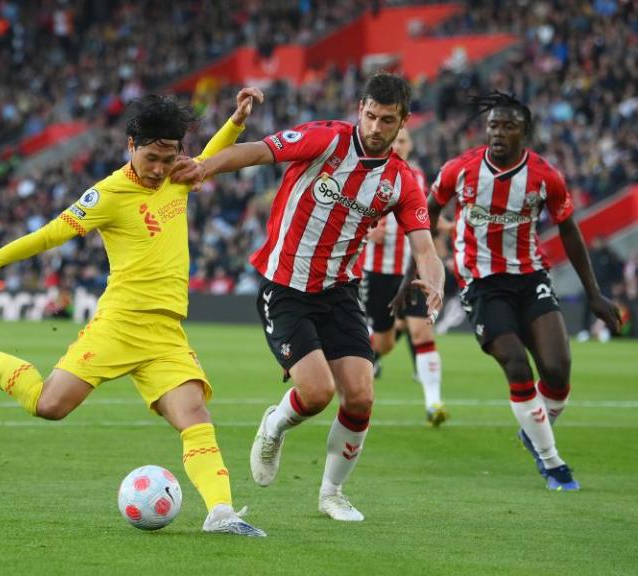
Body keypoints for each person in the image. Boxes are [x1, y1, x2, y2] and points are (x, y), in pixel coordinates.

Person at [0, 88, 268, 537]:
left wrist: (237, 120)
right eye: (152, 157)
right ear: (131, 146)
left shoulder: (178, 177)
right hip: (120, 324)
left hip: (166, 332)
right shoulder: (107, 194)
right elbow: (49, 234)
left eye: (169, 157)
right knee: (49, 405)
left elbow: (211, 156)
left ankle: (221, 514)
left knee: (195, 415)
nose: (160, 168)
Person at [171, 72, 445, 521]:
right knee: (317, 393)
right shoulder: (326, 140)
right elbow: (256, 152)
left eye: (387, 120)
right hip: (285, 286)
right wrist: (205, 165)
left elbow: (424, 248)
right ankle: (274, 426)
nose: (376, 128)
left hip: (339, 291)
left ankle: (331, 493)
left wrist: (434, 281)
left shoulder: (401, 181)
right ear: (360, 109)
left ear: (403, 122)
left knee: (360, 396)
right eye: (371, 116)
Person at [410, 91, 622, 490]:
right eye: (493, 125)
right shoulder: (461, 169)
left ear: (525, 132)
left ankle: (533, 429)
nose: (498, 133)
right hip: (481, 283)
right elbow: (428, 208)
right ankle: (552, 461)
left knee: (557, 372)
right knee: (517, 365)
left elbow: (570, 231)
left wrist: (594, 293)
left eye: (508, 126)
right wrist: (420, 263)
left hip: (530, 277)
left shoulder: (545, 176)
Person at [361, 128, 447, 426]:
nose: (398, 145)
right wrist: (368, 232)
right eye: (395, 140)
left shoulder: (419, 177)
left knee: (422, 332)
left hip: (411, 270)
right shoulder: (367, 171)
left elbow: (426, 215)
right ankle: (356, 359)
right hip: (377, 272)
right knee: (384, 343)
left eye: (403, 141)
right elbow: (350, 214)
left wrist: (446, 228)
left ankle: (434, 403)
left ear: (410, 146)